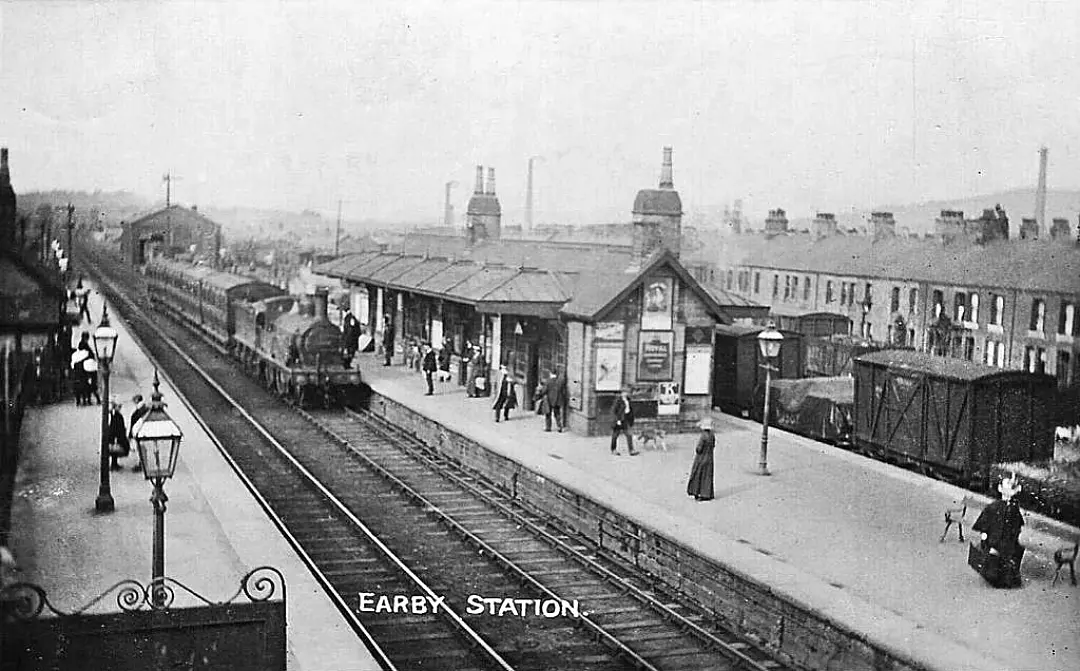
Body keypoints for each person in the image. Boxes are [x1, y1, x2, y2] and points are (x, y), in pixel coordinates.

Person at [969, 473, 1026, 588]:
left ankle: (1004, 579)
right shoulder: (994, 507)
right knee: (995, 558)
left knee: (1006, 558)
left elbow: (1017, 524)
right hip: (995, 539)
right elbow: (985, 521)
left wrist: (1014, 535)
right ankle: (995, 578)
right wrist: (984, 535)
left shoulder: (1013, 508)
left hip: (1006, 539)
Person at [686, 418, 716, 501]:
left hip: (701, 457)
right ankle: (707, 493)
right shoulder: (712, 435)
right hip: (709, 457)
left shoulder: (703, 436)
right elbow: (713, 446)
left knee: (697, 474)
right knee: (707, 475)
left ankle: (696, 491)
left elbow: (699, 448)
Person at [610, 386, 638, 455]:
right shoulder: (618, 400)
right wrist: (617, 420)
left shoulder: (628, 399)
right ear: (622, 393)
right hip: (619, 420)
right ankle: (613, 449)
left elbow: (630, 409)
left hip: (626, 419)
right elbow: (613, 411)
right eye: (624, 392)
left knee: (629, 434)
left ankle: (631, 450)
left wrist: (631, 417)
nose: (626, 394)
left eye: (627, 392)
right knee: (615, 435)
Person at [129, 394, 150, 471]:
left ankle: (142, 464)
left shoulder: (141, 410)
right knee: (141, 449)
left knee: (141, 448)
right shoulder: (143, 409)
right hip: (140, 432)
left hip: (139, 432)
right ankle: (141, 463)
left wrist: (131, 434)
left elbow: (136, 421)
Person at [107, 401, 130, 470]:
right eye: (119, 407)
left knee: (114, 450)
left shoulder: (114, 415)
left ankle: (114, 463)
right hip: (117, 436)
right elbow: (116, 427)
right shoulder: (117, 416)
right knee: (115, 450)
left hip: (115, 436)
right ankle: (114, 464)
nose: (120, 408)